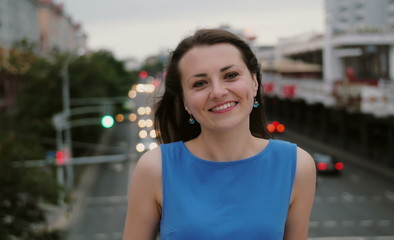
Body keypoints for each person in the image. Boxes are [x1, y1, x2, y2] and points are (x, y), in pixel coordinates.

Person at [123, 28, 316, 240]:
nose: (218, 92)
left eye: (231, 75)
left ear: (254, 82)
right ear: (185, 101)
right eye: (200, 83)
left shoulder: (297, 165)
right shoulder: (155, 168)